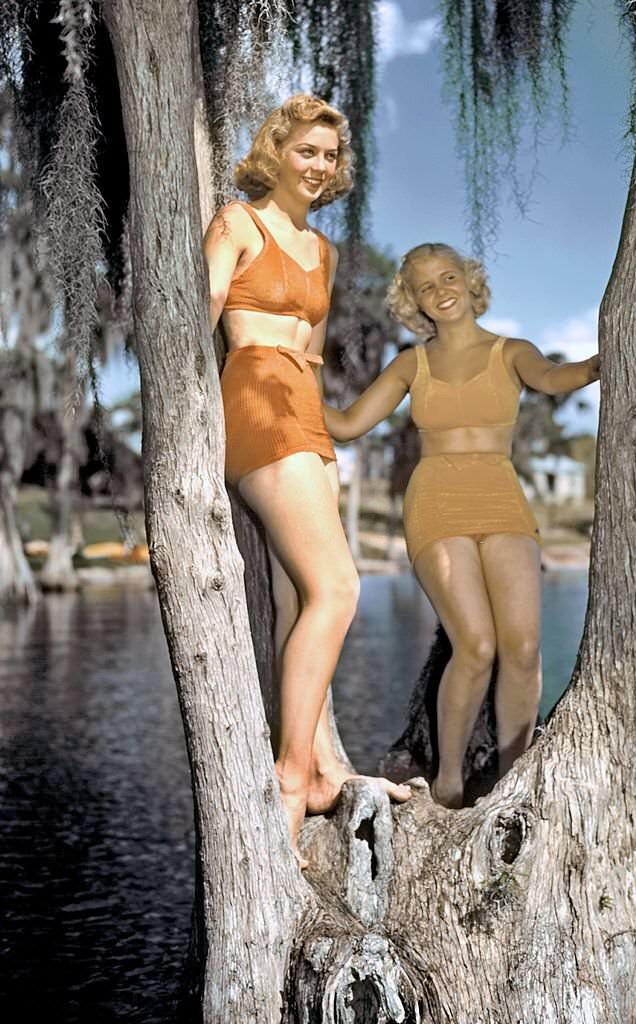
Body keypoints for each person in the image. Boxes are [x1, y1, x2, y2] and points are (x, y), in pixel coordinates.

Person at [203, 94, 409, 865]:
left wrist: (335, 435)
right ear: (276, 150)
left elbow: (314, 356)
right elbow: (197, 311)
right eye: (306, 151)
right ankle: (291, 777)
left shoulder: (321, 252)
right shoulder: (237, 222)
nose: (319, 166)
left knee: (299, 597)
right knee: (340, 588)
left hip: (305, 411)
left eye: (330, 155)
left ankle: (323, 765)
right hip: (253, 395)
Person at [325, 243, 600, 808]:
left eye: (448, 277)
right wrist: (286, 372)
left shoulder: (511, 352)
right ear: (414, 301)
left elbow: (553, 379)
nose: (440, 290)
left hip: (501, 497)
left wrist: (603, 362)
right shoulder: (411, 363)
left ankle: (513, 775)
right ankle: (448, 782)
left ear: (470, 282)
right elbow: (349, 424)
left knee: (522, 646)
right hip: (437, 501)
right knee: (474, 644)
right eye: (425, 286)